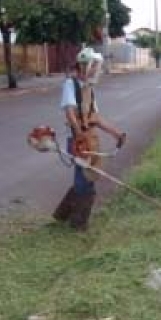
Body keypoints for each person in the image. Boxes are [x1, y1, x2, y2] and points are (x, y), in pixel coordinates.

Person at [53, 47, 126, 231]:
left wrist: (116, 133)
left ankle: (62, 215)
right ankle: (78, 224)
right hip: (79, 140)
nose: (96, 70)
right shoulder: (71, 85)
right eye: (94, 66)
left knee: (86, 178)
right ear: (85, 66)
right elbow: (70, 112)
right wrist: (79, 135)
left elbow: (96, 118)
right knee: (85, 180)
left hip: (90, 138)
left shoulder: (89, 89)